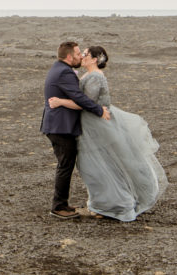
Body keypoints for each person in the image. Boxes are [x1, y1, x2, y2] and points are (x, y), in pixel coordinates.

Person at [48, 46, 167, 221]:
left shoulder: (95, 76)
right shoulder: (88, 75)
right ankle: (102, 203)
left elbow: (86, 103)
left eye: (86, 54)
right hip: (89, 125)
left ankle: (117, 204)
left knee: (102, 165)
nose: (82, 57)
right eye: (81, 54)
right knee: (96, 166)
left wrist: (60, 102)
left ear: (95, 59)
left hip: (97, 126)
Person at [40, 41, 111, 219]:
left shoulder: (59, 68)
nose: (81, 56)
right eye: (79, 54)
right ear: (70, 57)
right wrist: (99, 110)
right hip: (60, 127)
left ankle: (62, 203)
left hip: (59, 125)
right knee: (65, 166)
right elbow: (79, 97)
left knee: (66, 164)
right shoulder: (64, 72)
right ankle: (58, 207)